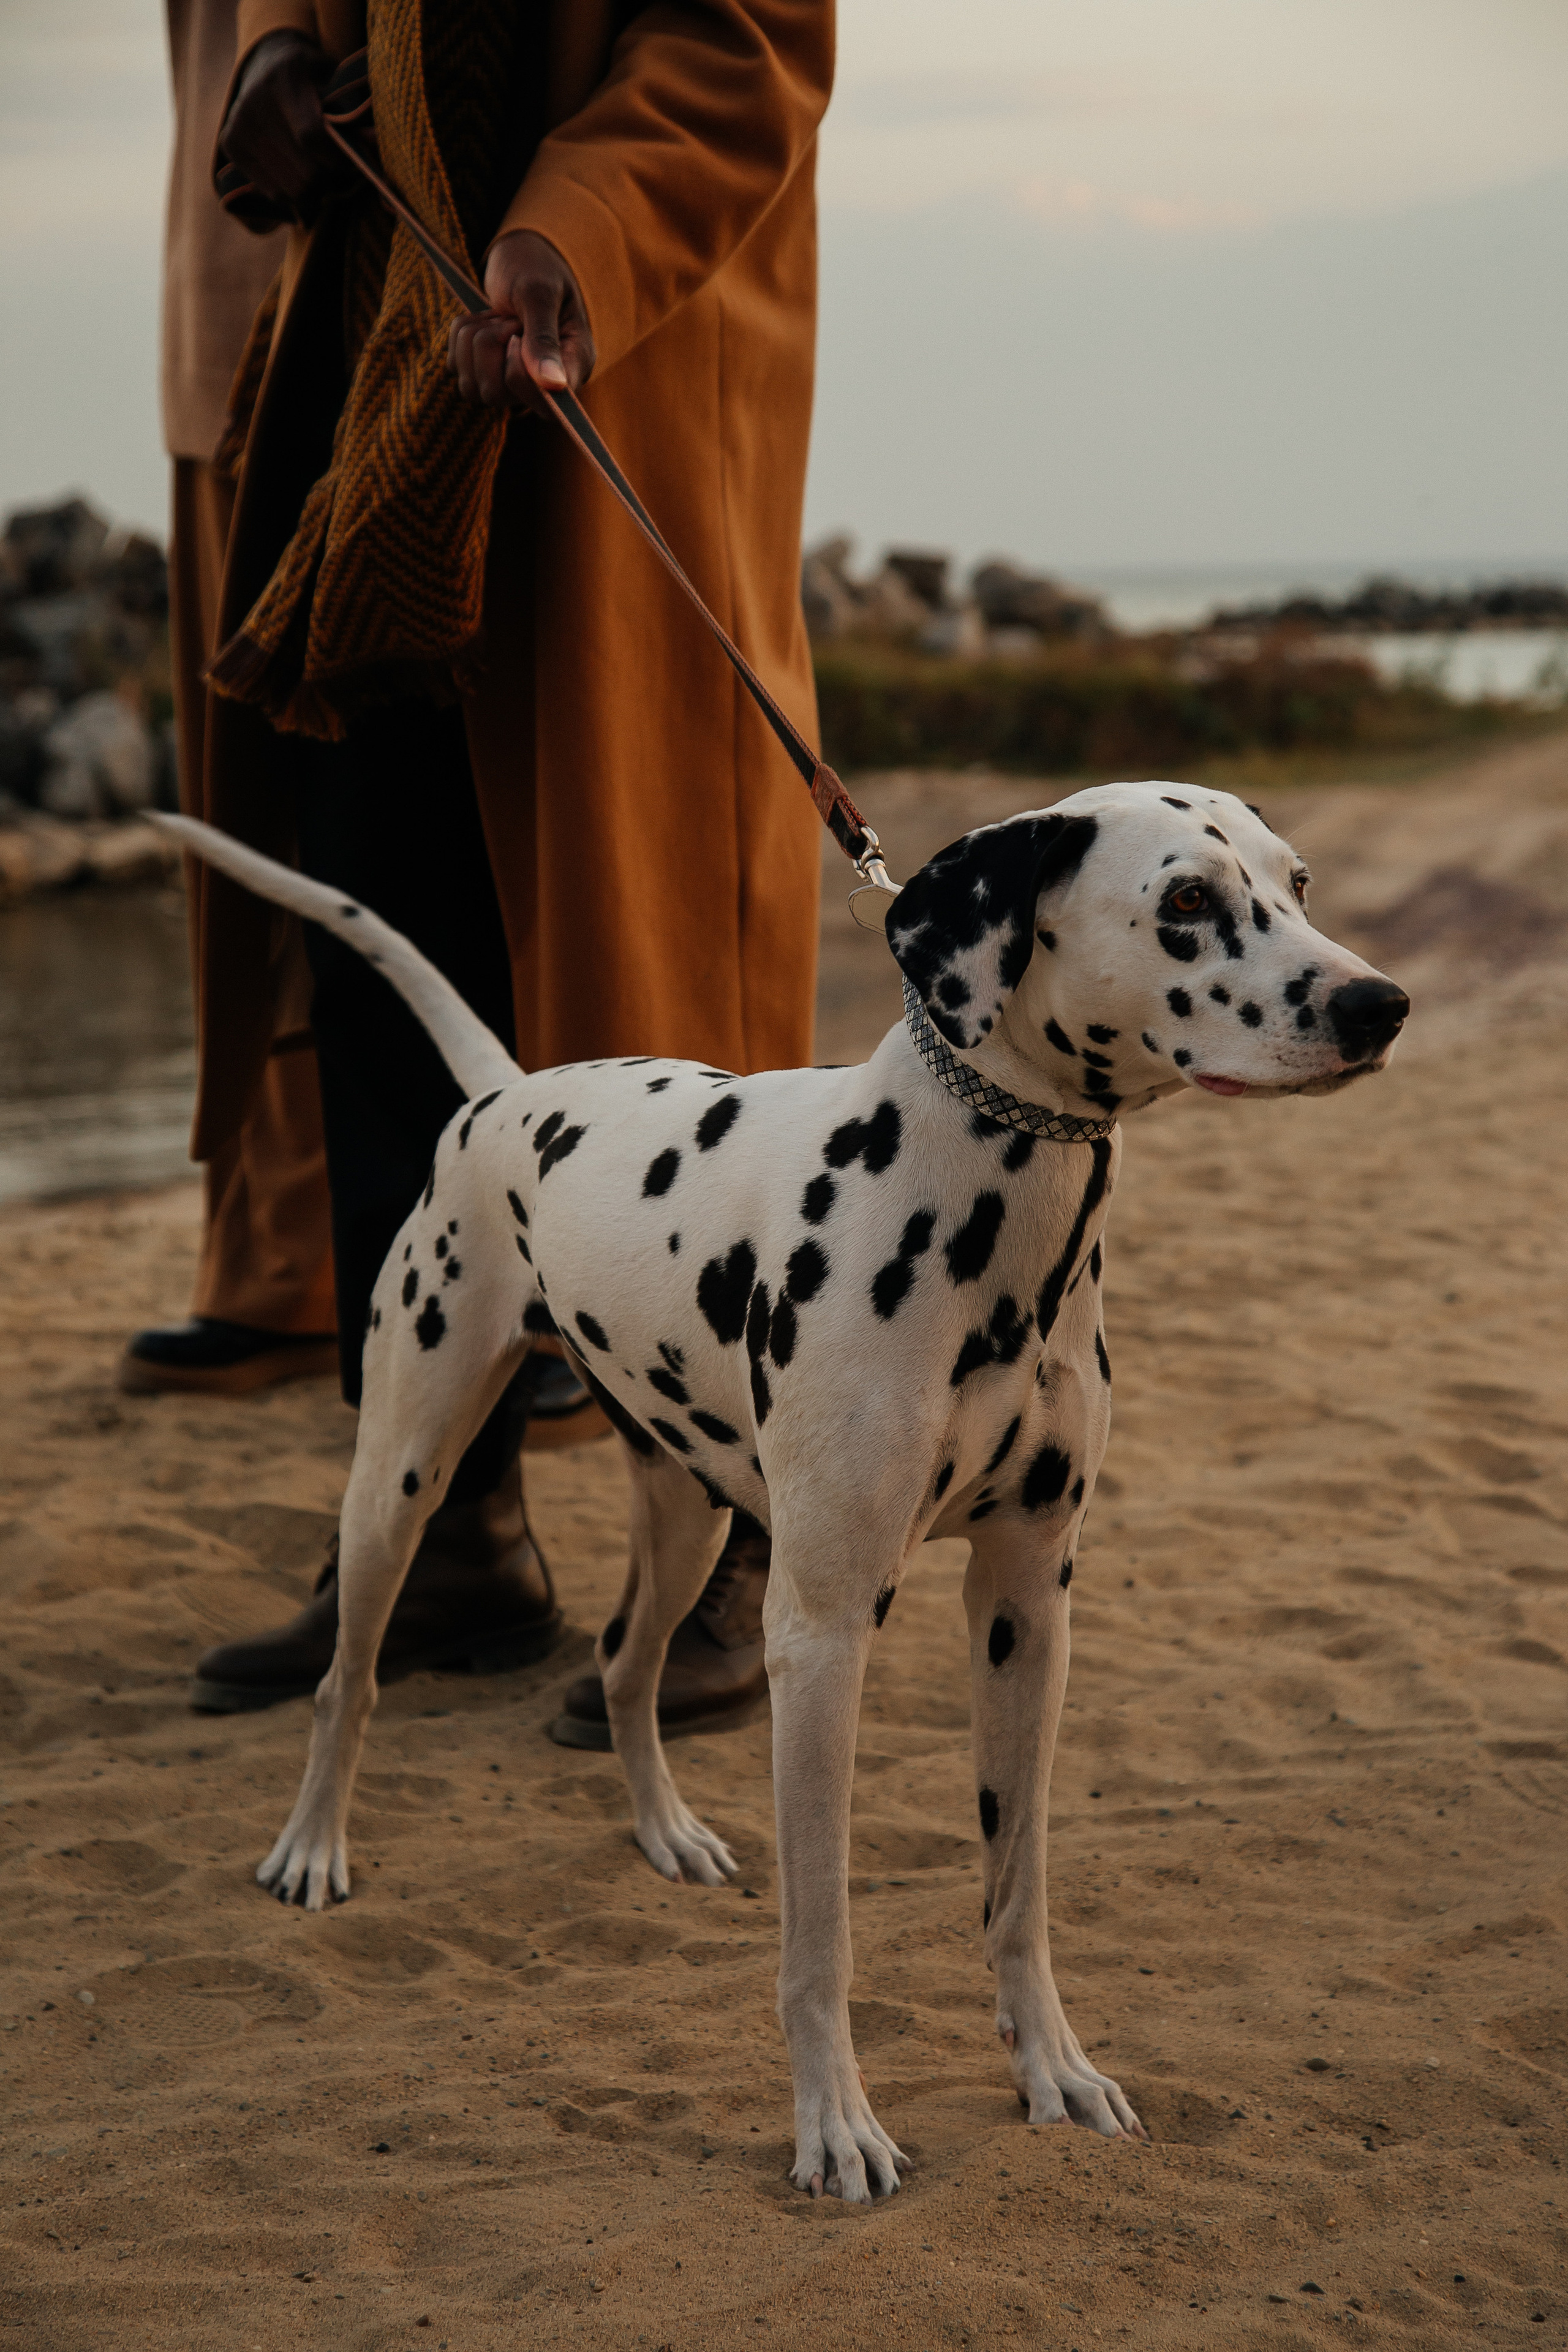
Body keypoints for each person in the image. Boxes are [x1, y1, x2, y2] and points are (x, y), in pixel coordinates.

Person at [183, 0, 832, 1744]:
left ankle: (732, 1561)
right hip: (382, 392)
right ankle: (444, 1525)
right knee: (397, 975)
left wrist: (572, 223)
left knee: (656, 1018)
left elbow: (751, 40)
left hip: (601, 371)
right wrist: (281, 55)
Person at [122, 0, 338, 1401]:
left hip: (417, 302)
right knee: (265, 844)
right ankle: (282, 1260)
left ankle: (541, 1282)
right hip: (233, 305)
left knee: (423, 838)